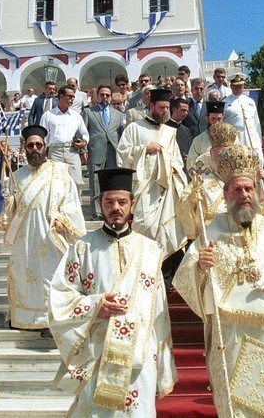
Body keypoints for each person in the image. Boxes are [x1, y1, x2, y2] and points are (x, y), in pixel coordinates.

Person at [173, 145, 264, 418]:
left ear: (256, 192)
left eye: (248, 189)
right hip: (232, 333)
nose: (244, 195)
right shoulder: (211, 231)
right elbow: (184, 279)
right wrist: (200, 267)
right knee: (238, 404)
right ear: (225, 195)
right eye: (237, 190)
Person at [48, 168, 177, 416]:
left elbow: (160, 311)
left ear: (132, 204)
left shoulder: (151, 250)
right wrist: (96, 305)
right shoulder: (83, 248)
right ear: (99, 204)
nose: (115, 207)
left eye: (122, 201)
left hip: (140, 352)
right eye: (109, 202)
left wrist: (162, 360)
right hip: (98, 350)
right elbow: (60, 296)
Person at [0, 124, 86, 337]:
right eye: (31, 145)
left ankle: (51, 322)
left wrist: (63, 221)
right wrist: (6, 200)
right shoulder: (17, 176)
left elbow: (72, 205)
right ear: (24, 148)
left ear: (46, 147)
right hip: (25, 241)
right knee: (24, 277)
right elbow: (10, 213)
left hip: (52, 238)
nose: (35, 149)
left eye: (38, 145)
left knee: (51, 279)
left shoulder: (60, 173)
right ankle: (23, 319)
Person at [116, 88, 187, 280]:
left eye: (167, 108)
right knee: (144, 225)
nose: (165, 112)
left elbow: (178, 160)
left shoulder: (170, 131)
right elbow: (122, 155)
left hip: (167, 190)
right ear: (151, 105)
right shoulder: (134, 128)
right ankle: (144, 271)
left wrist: (174, 168)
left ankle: (167, 276)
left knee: (170, 229)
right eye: (162, 107)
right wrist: (143, 149)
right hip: (145, 190)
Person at [176, 121, 239, 241]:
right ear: (211, 153)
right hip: (210, 237)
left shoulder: (240, 176)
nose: (222, 158)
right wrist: (193, 196)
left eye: (227, 153)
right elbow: (182, 206)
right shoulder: (202, 178)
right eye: (219, 153)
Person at [82, 84, 124, 217]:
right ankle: (96, 212)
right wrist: (84, 150)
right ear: (97, 96)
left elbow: (122, 134)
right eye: (102, 95)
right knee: (95, 181)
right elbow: (83, 133)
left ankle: (111, 210)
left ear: (111, 97)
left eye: (107, 95)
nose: (105, 97)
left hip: (113, 150)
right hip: (96, 150)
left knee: (112, 182)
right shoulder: (89, 112)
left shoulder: (117, 114)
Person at [40, 85, 89, 194]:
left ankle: (76, 209)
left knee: (77, 182)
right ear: (61, 96)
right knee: (56, 184)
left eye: (73, 97)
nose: (72, 99)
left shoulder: (76, 116)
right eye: (70, 96)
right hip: (55, 152)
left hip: (72, 151)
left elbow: (85, 133)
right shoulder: (48, 115)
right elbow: (43, 138)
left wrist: (83, 143)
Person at [223, 73, 263, 165]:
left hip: (252, 138)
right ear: (231, 86)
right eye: (235, 86)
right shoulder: (225, 102)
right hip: (236, 139)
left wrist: (259, 140)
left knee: (258, 161)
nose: (238, 88)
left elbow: (256, 123)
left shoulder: (250, 101)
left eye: (240, 86)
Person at [186, 100, 225, 170]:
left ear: (223, 118)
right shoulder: (198, 140)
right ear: (207, 118)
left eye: (219, 119)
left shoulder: (231, 138)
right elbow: (190, 164)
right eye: (213, 119)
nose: (216, 123)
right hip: (206, 178)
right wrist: (208, 156)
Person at [166, 96, 193, 162]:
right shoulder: (164, 128)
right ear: (174, 109)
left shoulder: (187, 131)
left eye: (187, 111)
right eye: (183, 110)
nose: (186, 113)